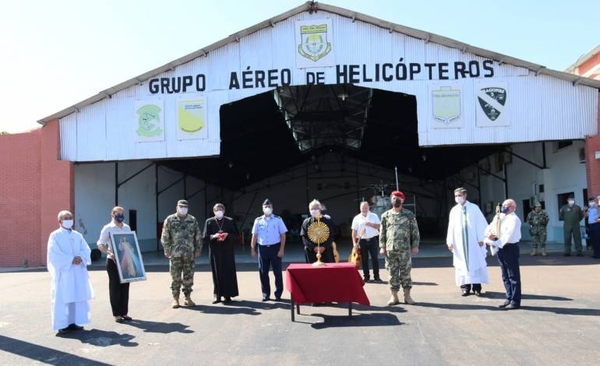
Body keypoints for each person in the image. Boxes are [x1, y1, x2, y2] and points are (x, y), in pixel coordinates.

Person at [47, 210, 94, 334]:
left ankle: (74, 322)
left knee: (76, 296)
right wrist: (70, 260)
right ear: (59, 221)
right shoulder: (55, 236)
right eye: (66, 218)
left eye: (70, 217)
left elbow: (86, 249)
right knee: (63, 297)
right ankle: (63, 324)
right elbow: (53, 253)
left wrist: (81, 258)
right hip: (65, 273)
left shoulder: (77, 235)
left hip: (77, 272)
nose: (69, 220)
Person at [446, 187, 489, 297]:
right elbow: (451, 227)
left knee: (475, 263)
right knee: (462, 264)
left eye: (459, 195)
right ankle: (465, 287)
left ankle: (476, 288)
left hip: (473, 243)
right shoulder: (454, 210)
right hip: (459, 243)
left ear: (465, 195)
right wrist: (450, 241)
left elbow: (481, 223)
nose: (457, 198)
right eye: (456, 196)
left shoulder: (474, 208)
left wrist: (481, 238)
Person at [379, 191, 420, 306]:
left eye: (398, 198)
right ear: (391, 200)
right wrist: (382, 246)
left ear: (402, 200)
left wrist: (415, 245)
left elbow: (415, 231)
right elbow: (382, 232)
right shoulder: (385, 215)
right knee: (392, 273)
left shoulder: (409, 214)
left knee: (405, 273)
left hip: (404, 250)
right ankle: (394, 296)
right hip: (390, 249)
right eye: (393, 198)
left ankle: (407, 296)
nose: (395, 200)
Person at [161, 199, 202, 308]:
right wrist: (166, 249)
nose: (183, 208)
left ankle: (187, 297)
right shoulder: (170, 219)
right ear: (177, 207)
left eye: (185, 207)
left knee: (189, 276)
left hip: (189, 253)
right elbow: (165, 235)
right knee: (175, 277)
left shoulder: (192, 220)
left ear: (188, 208)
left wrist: (198, 249)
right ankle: (175, 298)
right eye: (181, 206)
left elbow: (197, 235)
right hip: (175, 253)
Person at [97, 206, 134, 322]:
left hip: (126, 260)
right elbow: (100, 244)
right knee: (115, 287)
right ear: (112, 214)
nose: (120, 216)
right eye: (118, 214)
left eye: (122, 214)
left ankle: (124, 312)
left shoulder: (126, 227)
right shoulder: (107, 228)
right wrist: (109, 252)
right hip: (113, 261)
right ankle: (116, 314)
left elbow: (131, 242)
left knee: (125, 286)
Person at [484, 199, 522, 310]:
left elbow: (506, 237)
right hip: (500, 248)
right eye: (504, 205)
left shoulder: (514, 220)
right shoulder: (499, 217)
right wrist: (489, 235)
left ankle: (515, 301)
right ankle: (508, 297)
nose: (504, 207)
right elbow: (489, 228)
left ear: (513, 208)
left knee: (513, 275)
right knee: (505, 275)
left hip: (509, 247)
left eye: (507, 206)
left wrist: (492, 241)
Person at [250, 199, 288, 301]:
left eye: (269, 206)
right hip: (262, 249)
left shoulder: (278, 219)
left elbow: (283, 235)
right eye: (265, 207)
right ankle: (265, 294)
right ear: (262, 208)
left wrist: (281, 249)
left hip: (275, 248)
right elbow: (254, 235)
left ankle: (278, 294)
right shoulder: (258, 220)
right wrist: (253, 249)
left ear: (272, 208)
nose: (267, 208)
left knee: (277, 272)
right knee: (263, 272)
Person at [202, 203, 239, 304]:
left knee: (228, 272)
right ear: (214, 211)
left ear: (224, 210)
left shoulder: (230, 221)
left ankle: (228, 295)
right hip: (215, 251)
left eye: (221, 209)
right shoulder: (209, 222)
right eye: (217, 209)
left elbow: (236, 235)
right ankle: (217, 295)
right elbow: (204, 237)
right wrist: (214, 236)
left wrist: (227, 235)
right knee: (217, 273)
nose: (219, 211)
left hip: (227, 251)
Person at [351, 201, 382, 282]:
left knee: (375, 258)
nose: (364, 209)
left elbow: (379, 226)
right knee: (364, 259)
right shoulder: (357, 218)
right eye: (362, 208)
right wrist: (354, 243)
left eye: (366, 207)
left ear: (369, 207)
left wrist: (370, 224)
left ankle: (376, 277)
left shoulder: (374, 216)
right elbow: (354, 232)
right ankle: (366, 277)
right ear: (360, 208)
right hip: (362, 241)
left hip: (372, 240)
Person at [300, 199, 336, 263]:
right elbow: (304, 237)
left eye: (316, 209)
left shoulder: (328, 221)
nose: (314, 210)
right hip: (311, 249)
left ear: (320, 209)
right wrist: (313, 247)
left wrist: (324, 247)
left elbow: (332, 235)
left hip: (326, 248)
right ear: (309, 210)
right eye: (312, 209)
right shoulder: (306, 222)